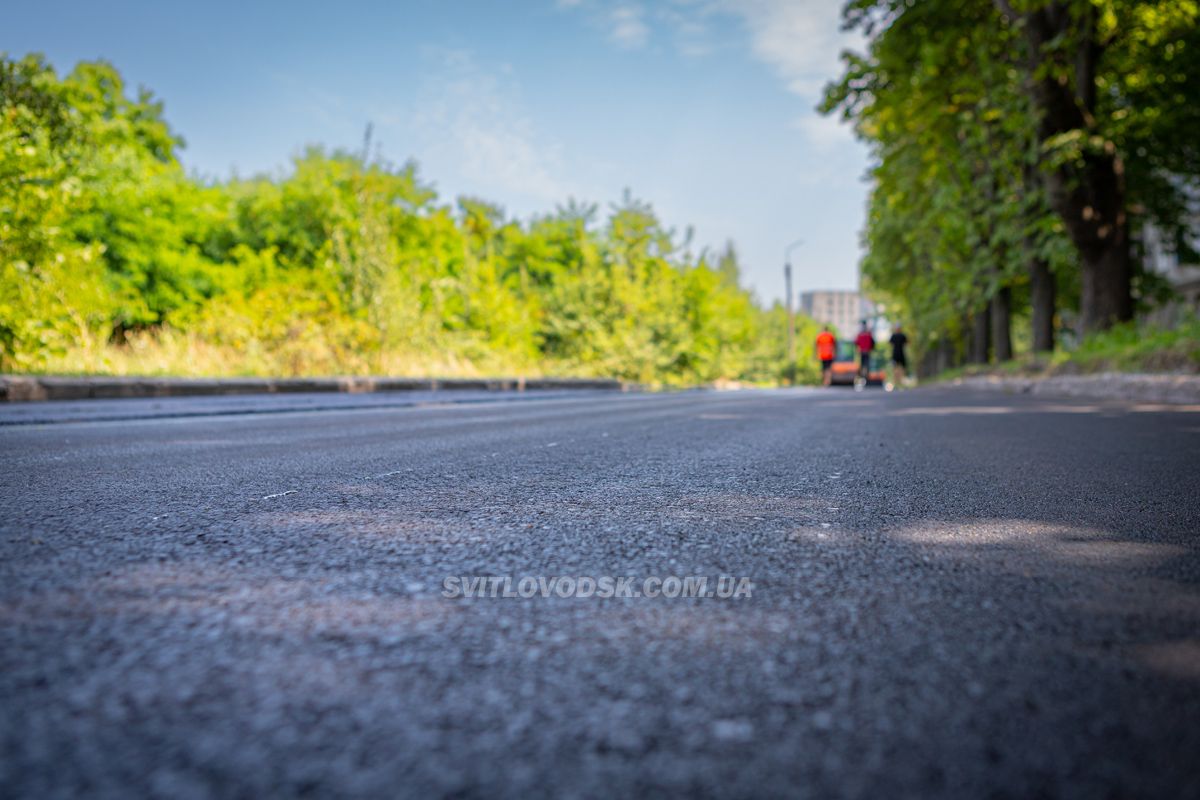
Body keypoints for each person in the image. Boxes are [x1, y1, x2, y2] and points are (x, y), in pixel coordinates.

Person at [854, 322, 874, 391]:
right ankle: (864, 378)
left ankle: (864, 378)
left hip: (864, 352)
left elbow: (856, 343)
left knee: (864, 365)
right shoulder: (867, 334)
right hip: (865, 352)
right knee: (865, 365)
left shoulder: (862, 334)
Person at [888, 325, 909, 391]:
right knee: (897, 369)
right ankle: (896, 383)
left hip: (897, 354)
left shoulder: (895, 336)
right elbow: (907, 343)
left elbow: (890, 344)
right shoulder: (901, 335)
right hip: (898, 354)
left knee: (899, 369)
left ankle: (899, 383)